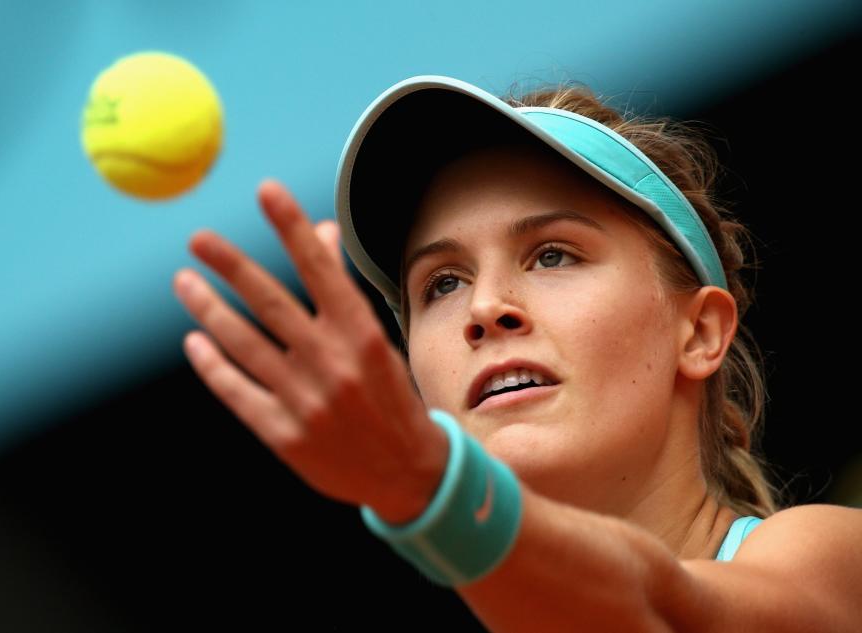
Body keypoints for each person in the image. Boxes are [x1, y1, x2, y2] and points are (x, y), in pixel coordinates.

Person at [172, 75, 862, 632]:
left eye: (552, 254)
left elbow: (662, 611)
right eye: (442, 283)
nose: (482, 308)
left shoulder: (831, 557)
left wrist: (425, 486)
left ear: (701, 332)